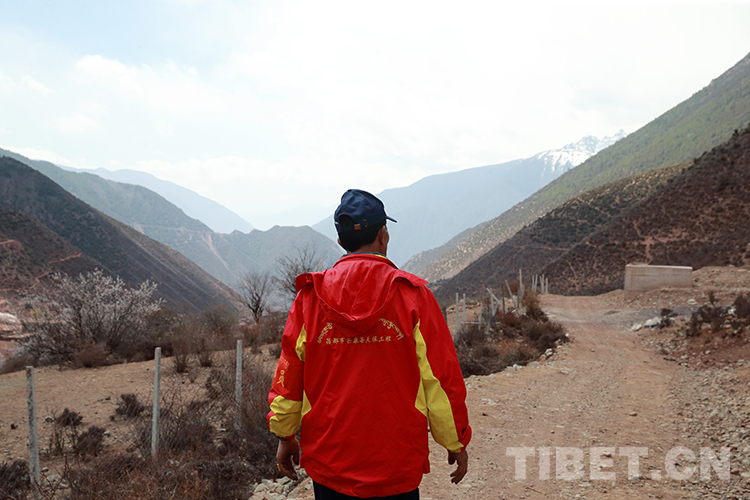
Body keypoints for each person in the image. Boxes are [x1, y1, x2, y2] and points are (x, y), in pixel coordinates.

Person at [268, 189, 472, 499]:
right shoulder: (413, 296)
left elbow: (288, 377)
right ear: (383, 235)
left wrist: (285, 436)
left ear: (340, 241)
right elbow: (441, 380)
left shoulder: (309, 299)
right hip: (396, 464)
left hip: (330, 464)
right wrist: (455, 441)